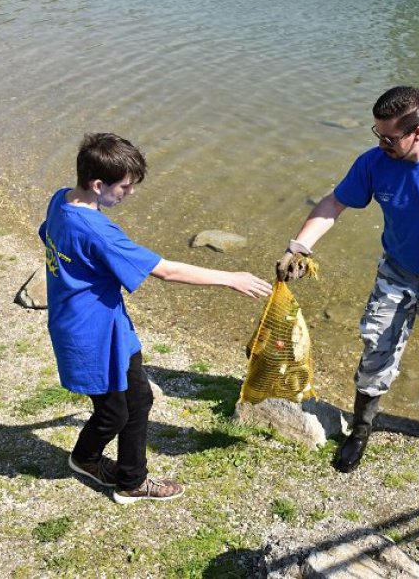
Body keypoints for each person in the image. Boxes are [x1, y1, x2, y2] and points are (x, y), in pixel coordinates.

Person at [276, 86, 419, 472]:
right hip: (395, 275)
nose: (381, 142)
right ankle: (362, 429)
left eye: (389, 136)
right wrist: (301, 245)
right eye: (377, 133)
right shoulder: (374, 163)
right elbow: (334, 203)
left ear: (418, 131)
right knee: (375, 353)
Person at [40, 133, 271, 503]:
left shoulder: (61, 200)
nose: (130, 194)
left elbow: (51, 240)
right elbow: (164, 270)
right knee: (120, 410)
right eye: (125, 188)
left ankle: (102, 464)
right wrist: (229, 278)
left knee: (129, 402)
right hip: (97, 335)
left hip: (83, 323)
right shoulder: (99, 232)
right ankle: (121, 477)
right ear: (98, 184)